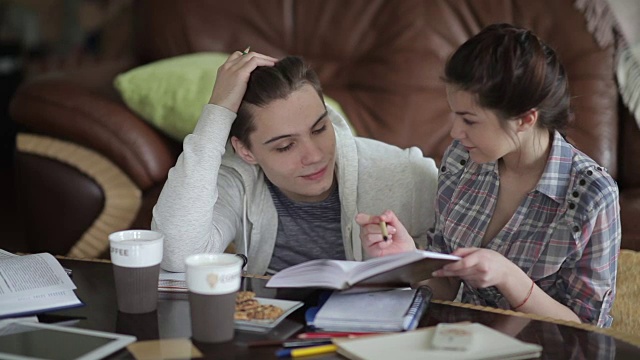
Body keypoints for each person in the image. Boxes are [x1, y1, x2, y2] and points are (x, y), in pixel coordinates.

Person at [356, 23, 621, 327]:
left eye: (469, 120)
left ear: (525, 119)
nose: (455, 132)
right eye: (454, 114)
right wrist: (408, 257)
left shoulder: (592, 195)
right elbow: (445, 288)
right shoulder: (460, 160)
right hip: (462, 342)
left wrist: (509, 276)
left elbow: (588, 332)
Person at [152, 51, 439, 275]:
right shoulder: (235, 178)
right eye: (285, 146)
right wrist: (217, 112)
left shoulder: (406, 174)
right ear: (246, 151)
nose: (314, 155)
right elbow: (176, 255)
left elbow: (463, 277)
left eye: (319, 129)